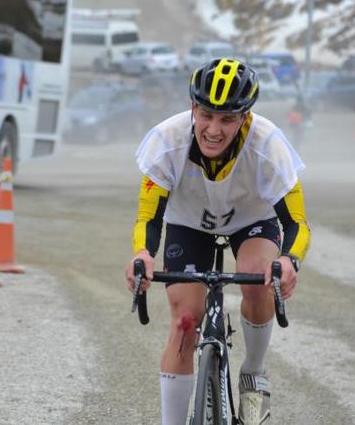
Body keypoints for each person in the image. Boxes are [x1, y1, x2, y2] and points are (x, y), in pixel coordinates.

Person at [125, 58, 311, 425]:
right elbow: (149, 218)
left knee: (257, 277)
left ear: (245, 118)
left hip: (252, 221)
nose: (213, 128)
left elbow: (297, 223)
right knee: (184, 323)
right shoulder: (167, 140)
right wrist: (143, 255)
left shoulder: (268, 144)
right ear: (193, 108)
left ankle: (253, 374)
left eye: (227, 119)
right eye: (206, 115)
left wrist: (290, 261)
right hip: (188, 223)